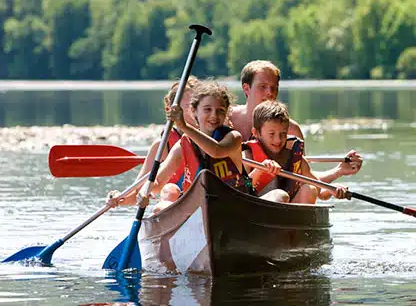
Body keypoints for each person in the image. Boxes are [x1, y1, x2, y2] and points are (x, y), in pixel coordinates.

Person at [229, 60, 363, 184]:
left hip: (272, 195)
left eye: (274, 87)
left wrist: (339, 171)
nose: (270, 93)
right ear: (246, 88)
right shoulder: (226, 118)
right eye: (262, 87)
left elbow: (305, 178)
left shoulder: (291, 129)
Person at [136, 80, 253, 212]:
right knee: (161, 205)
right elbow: (158, 181)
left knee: (278, 195)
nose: (214, 115)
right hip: (198, 208)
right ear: (194, 111)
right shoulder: (183, 145)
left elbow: (216, 151)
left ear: (226, 113)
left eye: (220, 110)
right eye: (207, 109)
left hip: (234, 205)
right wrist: (146, 189)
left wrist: (184, 127)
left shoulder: (233, 137)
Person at [106, 76, 200, 207]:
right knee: (169, 191)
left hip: (205, 199)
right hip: (175, 202)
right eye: (190, 106)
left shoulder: (211, 138)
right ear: (171, 111)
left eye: (199, 106)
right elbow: (136, 194)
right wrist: (118, 198)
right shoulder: (161, 146)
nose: (196, 111)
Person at [243, 100, 348, 204]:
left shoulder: (296, 159)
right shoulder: (248, 155)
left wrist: (333, 190)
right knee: (280, 195)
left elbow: (320, 192)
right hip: (257, 207)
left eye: (283, 134)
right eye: (272, 134)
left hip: (288, 212)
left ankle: (301, 221)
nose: (278, 140)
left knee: (310, 189)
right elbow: (242, 186)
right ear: (256, 133)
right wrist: (259, 170)